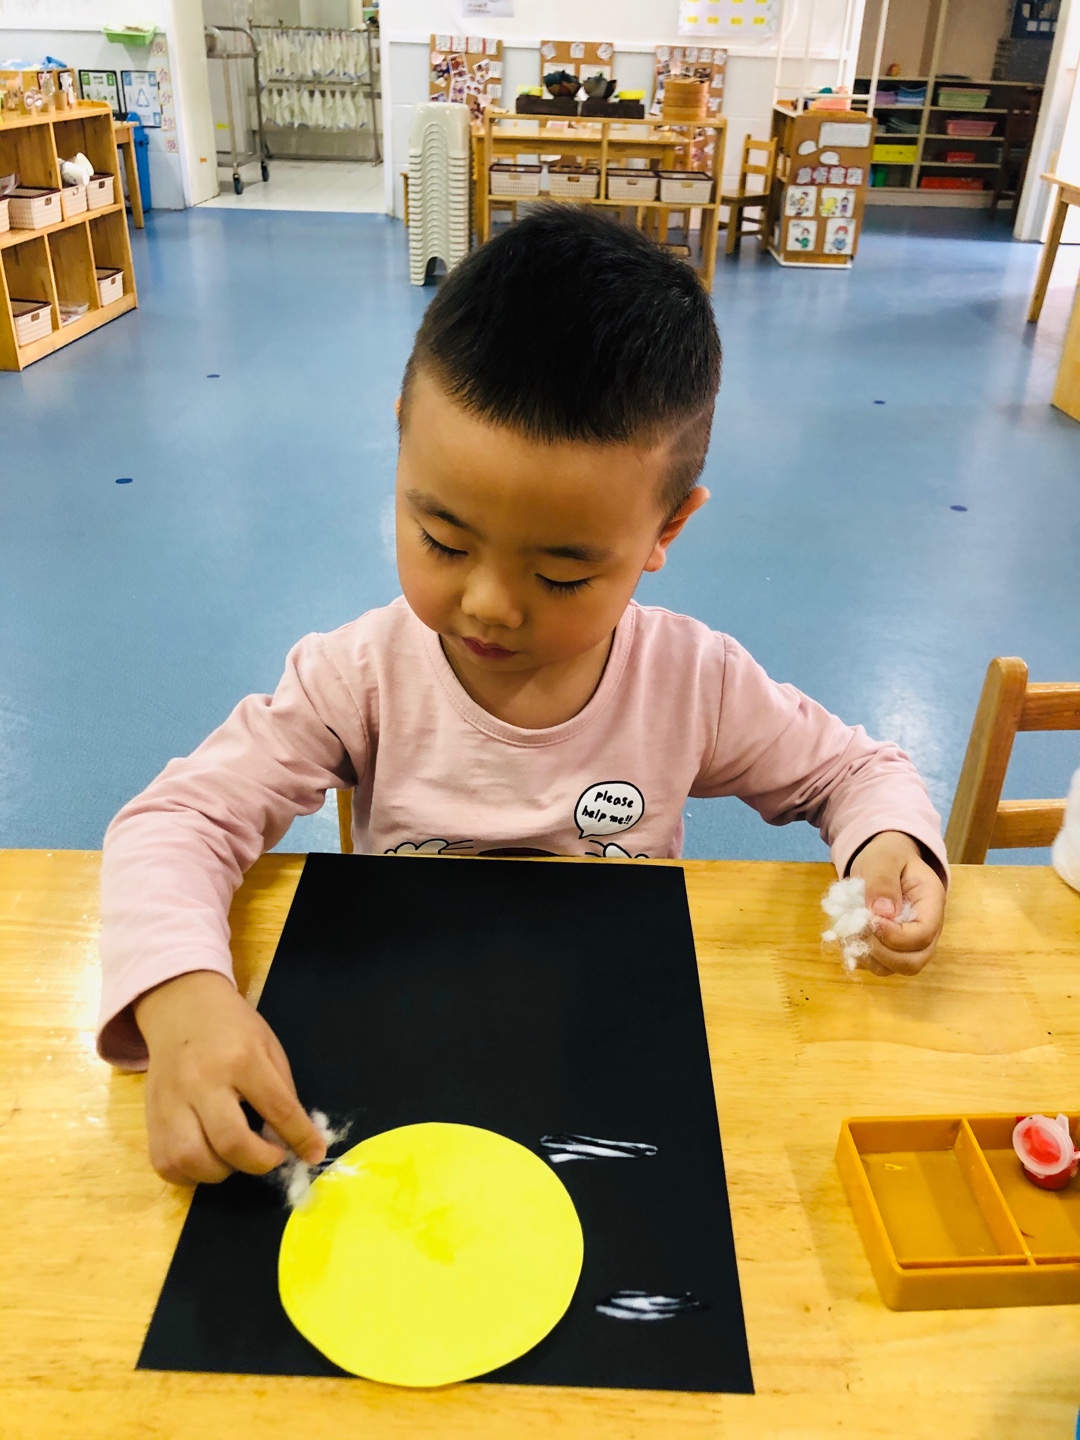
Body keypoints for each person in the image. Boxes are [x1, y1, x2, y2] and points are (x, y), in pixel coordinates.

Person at [99, 206, 948, 1186]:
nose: (490, 606)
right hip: (401, 1063)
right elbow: (177, 821)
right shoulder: (359, 677)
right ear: (401, 440)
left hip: (608, 1061)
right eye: (443, 541)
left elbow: (854, 772)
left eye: (561, 575)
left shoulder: (692, 683)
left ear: (667, 529)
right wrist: (183, 995)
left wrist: (887, 842)